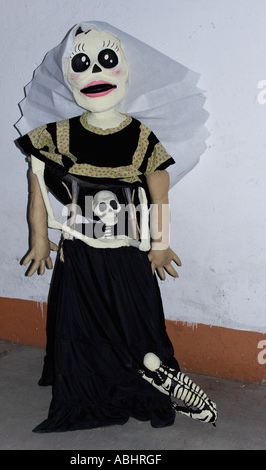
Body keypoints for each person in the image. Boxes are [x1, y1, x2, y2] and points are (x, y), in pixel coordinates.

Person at [16, 23, 216, 432]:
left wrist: (159, 245)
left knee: (138, 324)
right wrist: (40, 238)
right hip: (79, 256)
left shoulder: (142, 137)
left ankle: (149, 381)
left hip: (128, 256)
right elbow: (36, 187)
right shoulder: (56, 137)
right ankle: (85, 388)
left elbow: (160, 195)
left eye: (106, 59)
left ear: (124, 68)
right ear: (67, 73)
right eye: (81, 62)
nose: (94, 71)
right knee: (81, 327)